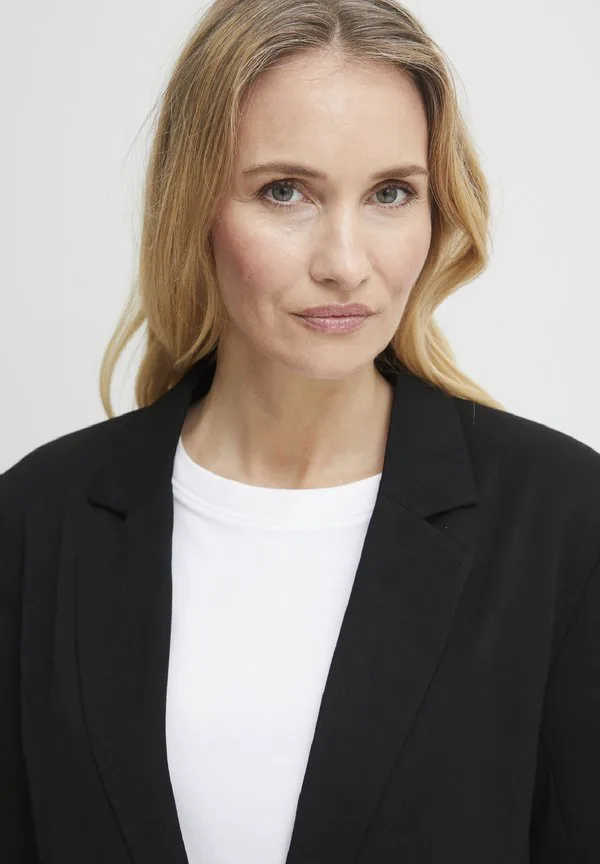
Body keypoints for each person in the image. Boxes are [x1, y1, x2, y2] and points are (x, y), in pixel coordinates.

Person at [2, 0, 599, 861]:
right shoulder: (36, 521)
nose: (345, 263)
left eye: (391, 193)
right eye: (285, 191)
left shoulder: (563, 521)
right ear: (194, 206)